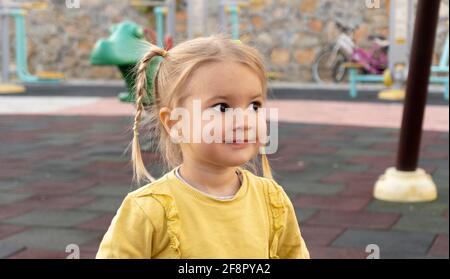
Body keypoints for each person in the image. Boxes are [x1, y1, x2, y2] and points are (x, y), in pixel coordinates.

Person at [96, 34, 309, 259]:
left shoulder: (272, 200)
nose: (245, 120)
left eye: (254, 105)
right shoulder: (148, 211)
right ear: (176, 123)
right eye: (222, 107)